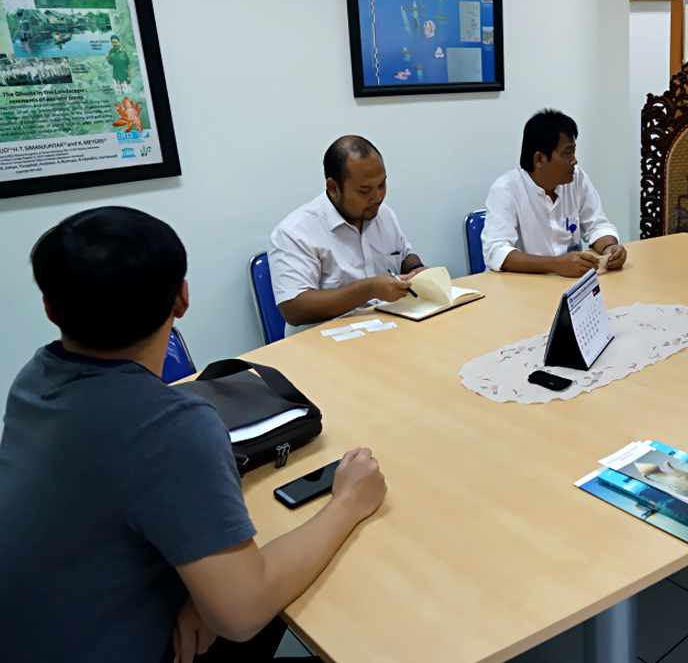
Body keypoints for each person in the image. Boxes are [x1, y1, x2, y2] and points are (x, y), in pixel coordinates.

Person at [0, 207, 388, 662]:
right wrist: (347, 502)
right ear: (182, 300)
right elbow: (241, 615)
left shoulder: (34, 379)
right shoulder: (172, 425)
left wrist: (199, 591)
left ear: (49, 308)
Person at [270, 135, 426, 335]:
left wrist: (417, 269)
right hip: (325, 344)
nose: (377, 197)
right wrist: (370, 289)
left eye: (381, 185)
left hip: (388, 330)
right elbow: (295, 309)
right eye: (364, 191)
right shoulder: (295, 232)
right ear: (333, 188)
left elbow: (403, 256)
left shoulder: (383, 213)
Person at [481, 109, 626, 276]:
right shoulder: (506, 189)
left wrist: (610, 248)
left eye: (574, 151)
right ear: (539, 159)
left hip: (570, 284)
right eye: (567, 153)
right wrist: (555, 265)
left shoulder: (577, 178)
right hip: (522, 287)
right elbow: (496, 252)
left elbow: (597, 225)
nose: (574, 160)